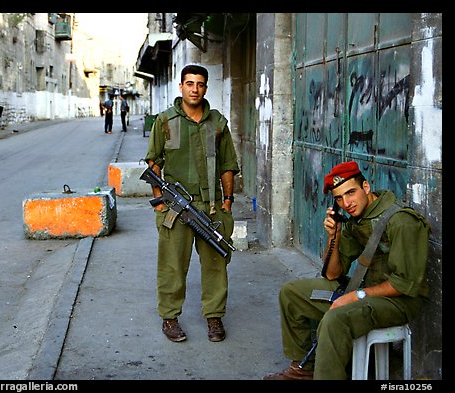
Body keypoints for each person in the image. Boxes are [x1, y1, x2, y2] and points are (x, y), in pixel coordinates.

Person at [263, 161, 431, 380]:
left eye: (351, 193)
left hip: (399, 302)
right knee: (291, 293)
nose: (346, 203)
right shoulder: (356, 219)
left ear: (366, 187)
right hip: (368, 292)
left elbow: (404, 283)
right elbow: (333, 274)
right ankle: (304, 369)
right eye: (340, 198)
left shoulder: (402, 221)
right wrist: (334, 236)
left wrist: (356, 295)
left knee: (335, 319)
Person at [144, 64, 240, 343]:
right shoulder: (164, 121)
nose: (194, 89)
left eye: (199, 84)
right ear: (181, 87)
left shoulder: (218, 124)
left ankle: (214, 317)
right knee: (172, 265)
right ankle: (170, 318)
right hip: (175, 208)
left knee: (215, 263)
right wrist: (160, 203)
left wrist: (228, 202)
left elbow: (228, 165)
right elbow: (154, 162)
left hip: (211, 206)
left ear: (205, 88)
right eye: (189, 83)